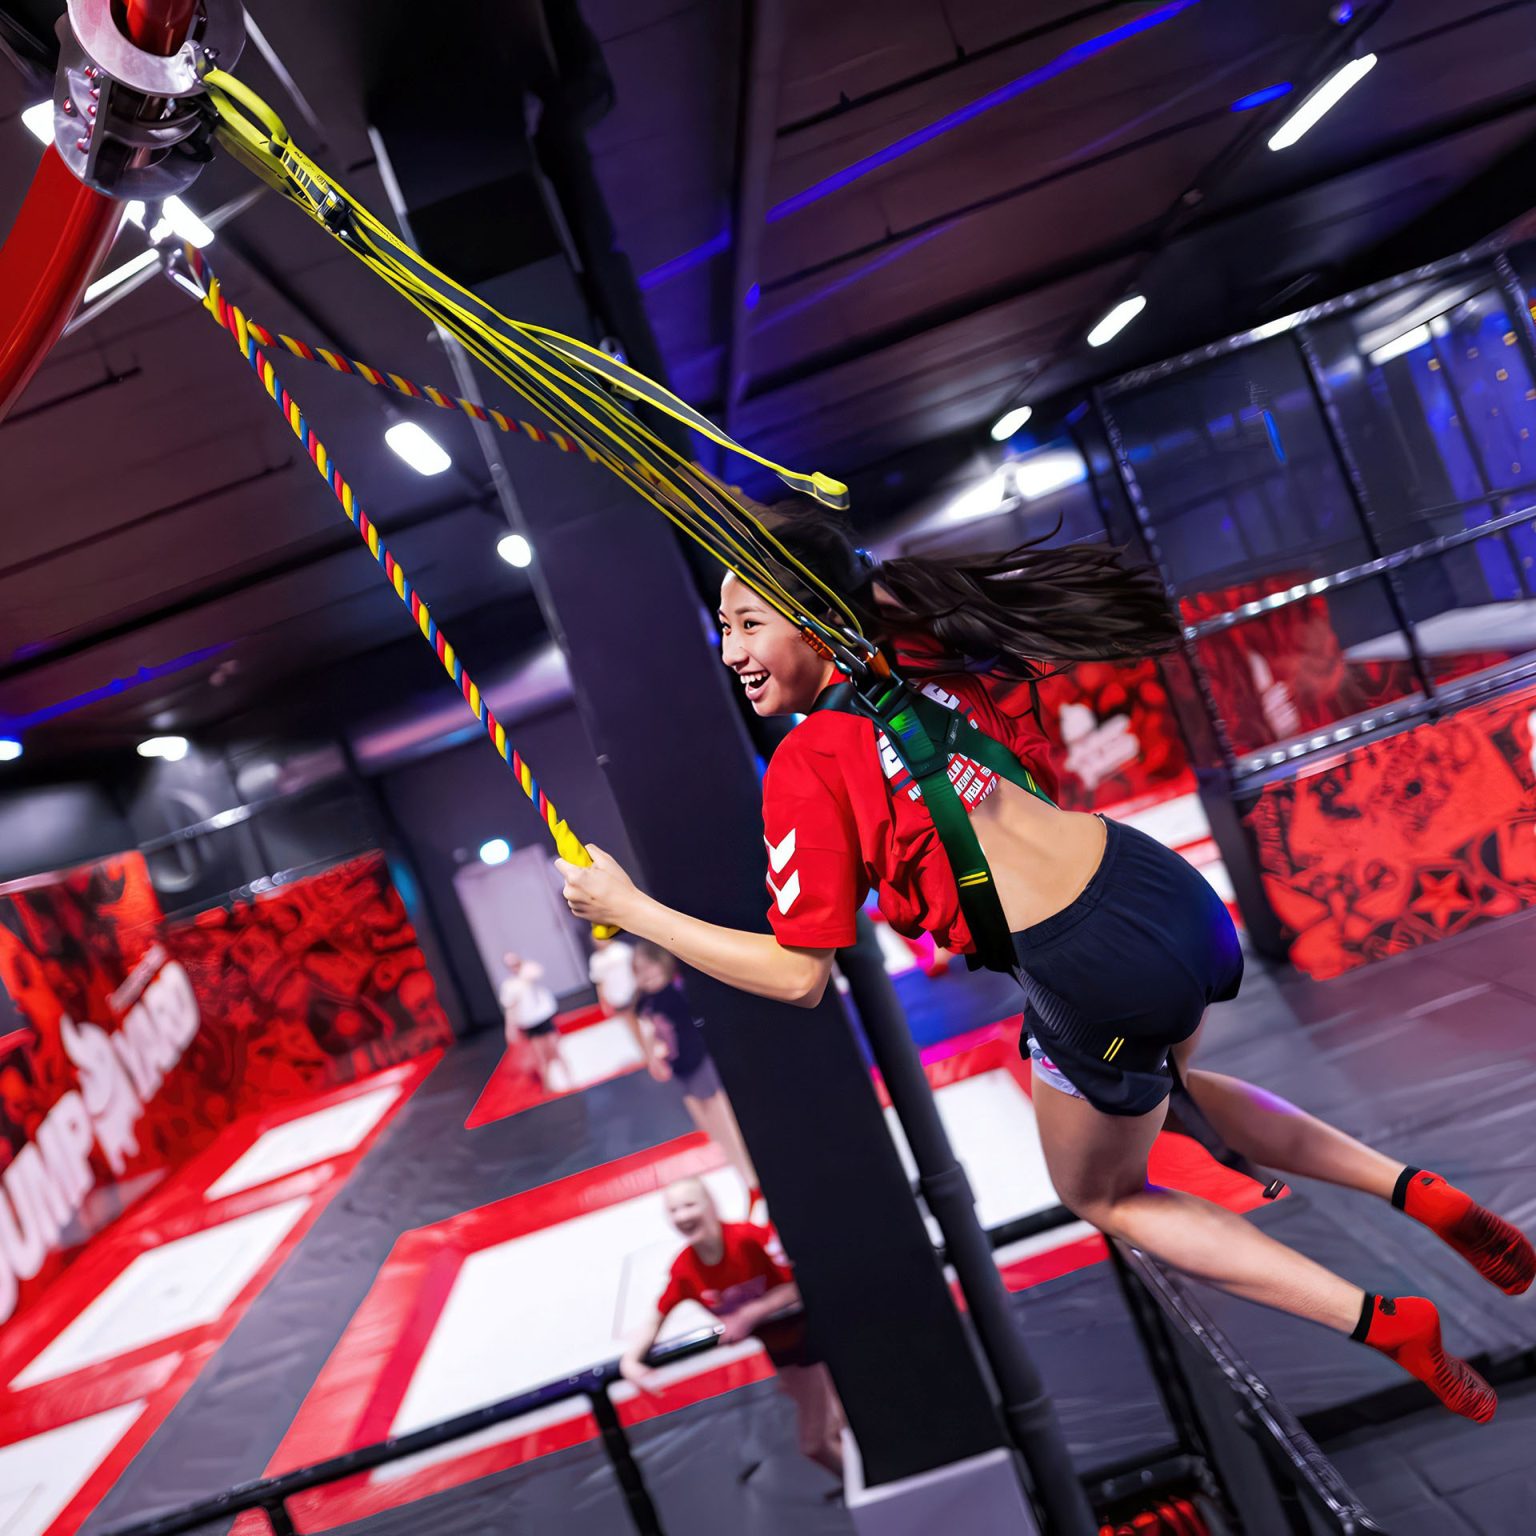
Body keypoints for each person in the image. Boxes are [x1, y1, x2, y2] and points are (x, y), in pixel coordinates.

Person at [561, 504, 1535, 1425]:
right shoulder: (924, 647)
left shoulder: (809, 765)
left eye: (747, 624)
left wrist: (631, 910)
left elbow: (796, 974)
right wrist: (778, 540)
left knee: (1103, 1192)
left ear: (816, 621)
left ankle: (1384, 1321)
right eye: (721, 627)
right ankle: (1414, 1188)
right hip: (1161, 891)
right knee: (1165, 1085)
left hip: (1090, 965)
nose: (729, 652)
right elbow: (856, 578)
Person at [620, 1177, 844, 1478]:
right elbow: (655, 1318)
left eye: (689, 1205)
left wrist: (751, 1313)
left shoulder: (749, 1238)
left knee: (816, 1442)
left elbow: (800, 1286)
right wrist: (630, 1361)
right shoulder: (685, 1269)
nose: (682, 1216)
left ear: (710, 1205)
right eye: (673, 1210)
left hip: (815, 1342)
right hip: (783, 1357)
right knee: (834, 1430)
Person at [633, 941, 763, 1217]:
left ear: (663, 965)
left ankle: (754, 1180)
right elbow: (649, 1033)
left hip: (700, 1062)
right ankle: (747, 1181)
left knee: (728, 1128)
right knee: (716, 1135)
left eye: (651, 967)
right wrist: (653, 1058)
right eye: (640, 971)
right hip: (682, 1070)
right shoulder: (645, 1003)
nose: (647, 975)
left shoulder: (677, 991)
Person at [498, 950, 566, 1094]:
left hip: (543, 1017)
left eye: (516, 963)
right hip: (529, 1022)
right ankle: (548, 1087)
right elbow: (510, 1009)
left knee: (556, 1050)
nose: (515, 967)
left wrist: (524, 969)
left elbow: (537, 972)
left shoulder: (529, 972)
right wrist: (510, 1029)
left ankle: (569, 1078)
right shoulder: (509, 986)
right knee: (540, 1055)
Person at [588, 932, 643, 1054]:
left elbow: (636, 968)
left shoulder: (622, 950)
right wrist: (603, 1002)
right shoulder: (596, 960)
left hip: (633, 992)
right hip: (616, 998)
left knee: (644, 1021)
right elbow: (599, 983)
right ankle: (643, 1049)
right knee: (630, 1025)